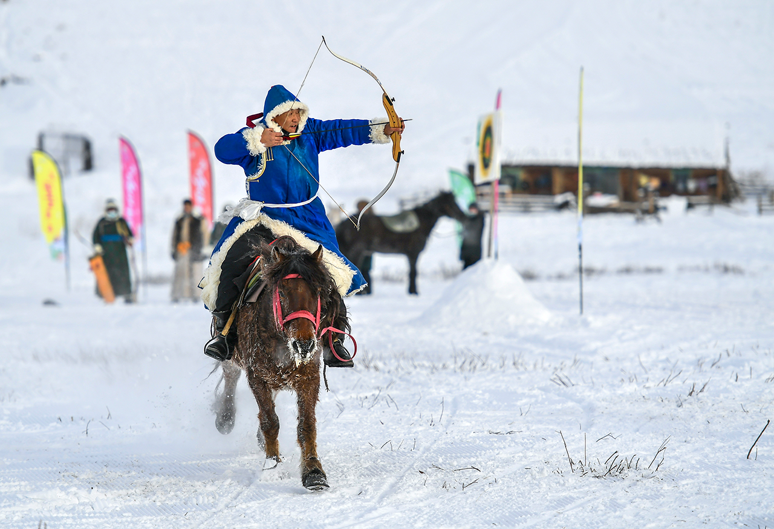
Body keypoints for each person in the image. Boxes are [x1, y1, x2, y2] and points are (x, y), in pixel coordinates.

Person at [200, 84, 404, 365]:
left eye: (298, 111)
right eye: (290, 112)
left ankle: (334, 340)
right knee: (231, 262)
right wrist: (258, 139)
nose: (296, 117)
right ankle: (225, 336)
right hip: (266, 218)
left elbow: (342, 131)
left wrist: (383, 129)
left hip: (308, 219)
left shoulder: (310, 134)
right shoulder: (257, 140)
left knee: (331, 270)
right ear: (275, 115)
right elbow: (222, 150)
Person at [92, 199, 134, 302]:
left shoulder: (121, 222)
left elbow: (129, 234)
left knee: (122, 273)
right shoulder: (101, 222)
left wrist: (129, 239)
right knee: (106, 273)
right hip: (106, 253)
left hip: (120, 253)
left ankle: (126, 293)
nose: (112, 211)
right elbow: (95, 236)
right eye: (109, 209)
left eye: (113, 209)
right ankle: (105, 294)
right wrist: (97, 246)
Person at [171, 199, 206, 302]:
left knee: (195, 273)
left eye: (188, 206)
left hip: (193, 249)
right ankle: (178, 295)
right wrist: (174, 248)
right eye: (185, 206)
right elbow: (174, 235)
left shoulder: (197, 220)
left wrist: (200, 249)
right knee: (180, 273)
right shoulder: (180, 220)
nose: (186, 208)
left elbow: (202, 235)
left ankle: (195, 295)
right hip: (181, 250)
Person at [355, 199, 373, 295]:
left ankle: (368, 290)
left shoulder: (372, 220)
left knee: (366, 269)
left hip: (368, 248)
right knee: (358, 268)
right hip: (358, 248)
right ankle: (359, 290)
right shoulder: (356, 218)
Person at [460, 203, 485, 269]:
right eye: (470, 210)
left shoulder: (479, 219)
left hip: (475, 252)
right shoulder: (467, 219)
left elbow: (474, 230)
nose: (471, 211)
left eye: (473, 209)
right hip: (466, 252)